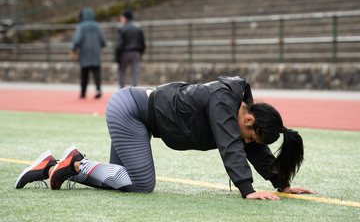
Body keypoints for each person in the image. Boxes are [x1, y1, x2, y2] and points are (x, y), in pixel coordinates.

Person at [14, 76, 316, 200]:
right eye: (251, 137)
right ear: (249, 120)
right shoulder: (225, 100)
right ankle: (77, 162)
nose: (247, 143)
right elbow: (231, 146)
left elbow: (249, 148)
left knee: (120, 181)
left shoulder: (240, 110)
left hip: (137, 118)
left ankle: (54, 166)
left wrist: (282, 183)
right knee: (143, 185)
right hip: (130, 111)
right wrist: (247, 190)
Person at [71, 7, 107, 99]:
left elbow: (76, 40)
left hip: (84, 54)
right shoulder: (97, 26)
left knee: (84, 75)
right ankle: (98, 90)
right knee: (97, 75)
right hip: (95, 54)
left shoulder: (81, 26)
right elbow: (103, 41)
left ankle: (83, 93)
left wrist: (73, 49)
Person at [115, 9, 146, 88]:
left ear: (125, 18)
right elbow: (142, 42)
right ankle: (135, 89)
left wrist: (117, 56)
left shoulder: (122, 28)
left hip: (124, 52)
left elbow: (119, 44)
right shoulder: (137, 28)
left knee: (121, 71)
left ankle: (121, 89)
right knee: (135, 72)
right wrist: (140, 52)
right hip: (136, 52)